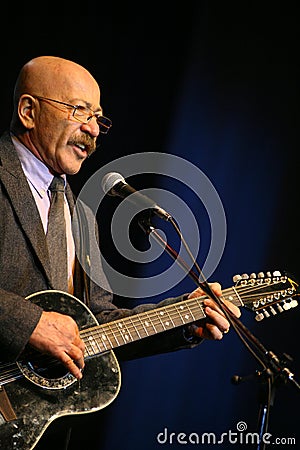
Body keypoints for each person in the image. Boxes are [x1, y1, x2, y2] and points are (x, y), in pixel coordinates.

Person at [0, 56, 241, 450]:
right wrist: (29, 323)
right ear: (29, 111)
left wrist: (186, 316)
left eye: (98, 118)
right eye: (79, 111)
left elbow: (99, 324)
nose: (93, 129)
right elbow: (38, 325)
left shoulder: (81, 216)